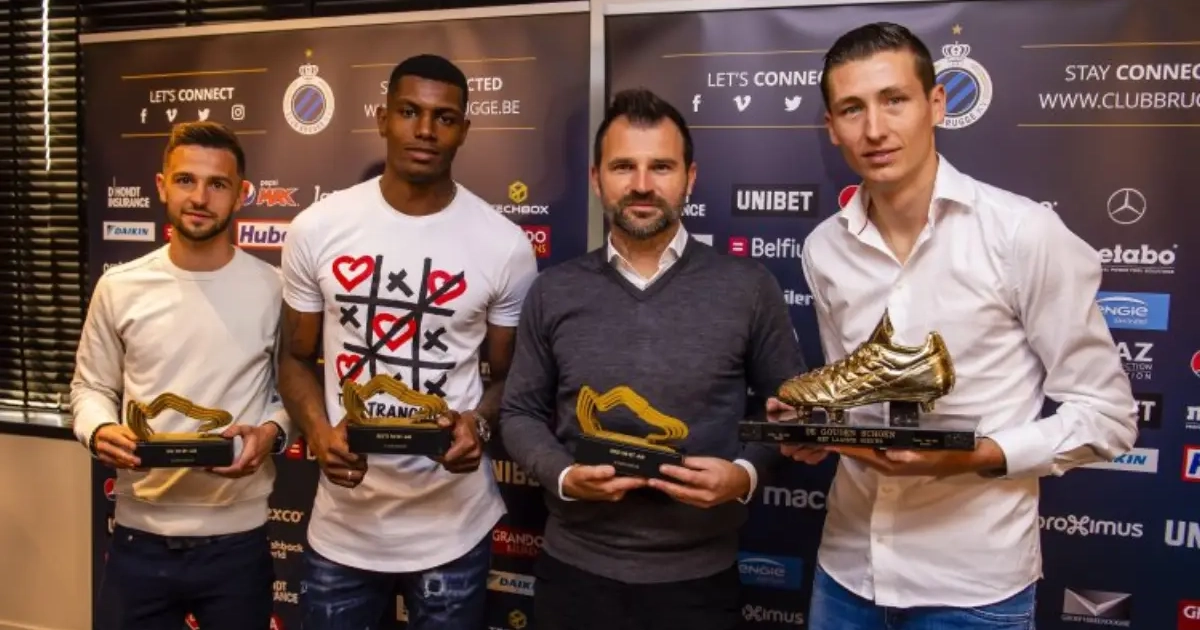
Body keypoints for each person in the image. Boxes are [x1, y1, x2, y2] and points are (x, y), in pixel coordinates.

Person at [775, 22, 1138, 630]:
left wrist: (973, 456)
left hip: (974, 590)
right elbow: (857, 401)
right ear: (832, 127)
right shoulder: (823, 248)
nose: (874, 129)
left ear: (936, 103)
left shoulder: (1023, 234)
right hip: (846, 573)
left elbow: (1109, 417)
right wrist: (818, 428)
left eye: (894, 100)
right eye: (852, 109)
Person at [499, 87, 804, 630]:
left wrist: (744, 475)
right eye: (624, 167)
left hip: (699, 586)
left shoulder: (748, 287)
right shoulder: (554, 290)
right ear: (597, 179)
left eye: (661, 166)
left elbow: (789, 410)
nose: (642, 184)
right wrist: (563, 475)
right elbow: (519, 412)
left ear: (690, 177)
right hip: (574, 576)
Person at [277, 53, 538, 630]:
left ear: (464, 129)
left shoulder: (505, 245)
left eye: (444, 118)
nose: (425, 130)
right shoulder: (317, 227)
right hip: (343, 530)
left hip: (453, 529)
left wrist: (479, 426)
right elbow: (294, 358)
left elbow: (510, 376)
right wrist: (318, 433)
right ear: (382, 118)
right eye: (408, 112)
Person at [70, 120, 295, 630]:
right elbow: (90, 387)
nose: (199, 197)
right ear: (161, 185)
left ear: (241, 194)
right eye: (186, 180)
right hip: (138, 540)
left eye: (217, 184)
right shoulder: (119, 286)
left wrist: (272, 431)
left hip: (238, 544)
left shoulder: (274, 289)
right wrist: (99, 428)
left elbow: (292, 394)